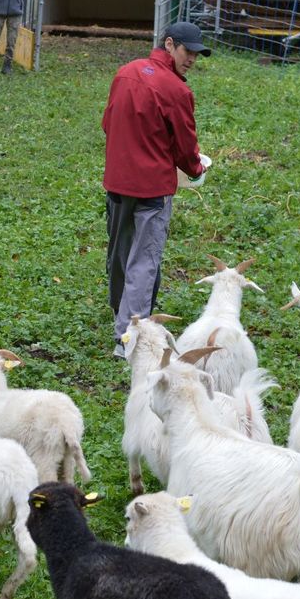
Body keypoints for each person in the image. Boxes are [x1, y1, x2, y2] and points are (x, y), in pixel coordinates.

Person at [102, 21, 212, 358]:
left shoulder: (125, 73)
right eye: (187, 51)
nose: (192, 58)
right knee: (143, 261)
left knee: (120, 253)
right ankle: (129, 341)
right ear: (169, 44)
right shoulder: (177, 91)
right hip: (152, 189)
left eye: (196, 53)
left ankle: (122, 313)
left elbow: (108, 123)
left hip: (118, 182)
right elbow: (184, 145)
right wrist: (197, 169)